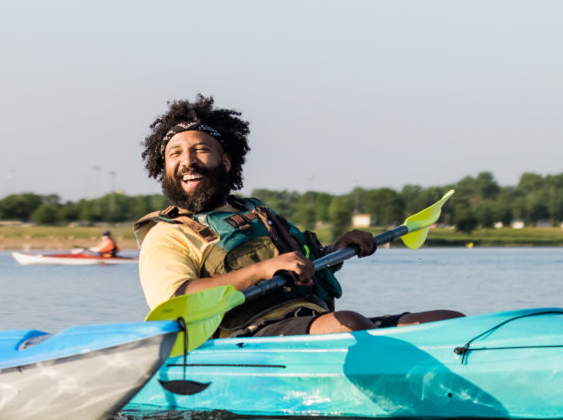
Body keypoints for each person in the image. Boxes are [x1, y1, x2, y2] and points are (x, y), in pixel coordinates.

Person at [134, 95, 461, 338]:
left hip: (308, 321)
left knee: (448, 320)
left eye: (201, 149)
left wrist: (337, 250)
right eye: (175, 153)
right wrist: (261, 270)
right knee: (348, 323)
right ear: (164, 167)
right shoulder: (167, 234)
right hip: (245, 338)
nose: (187, 161)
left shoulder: (256, 213)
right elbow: (177, 299)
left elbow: (302, 263)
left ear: (227, 161)